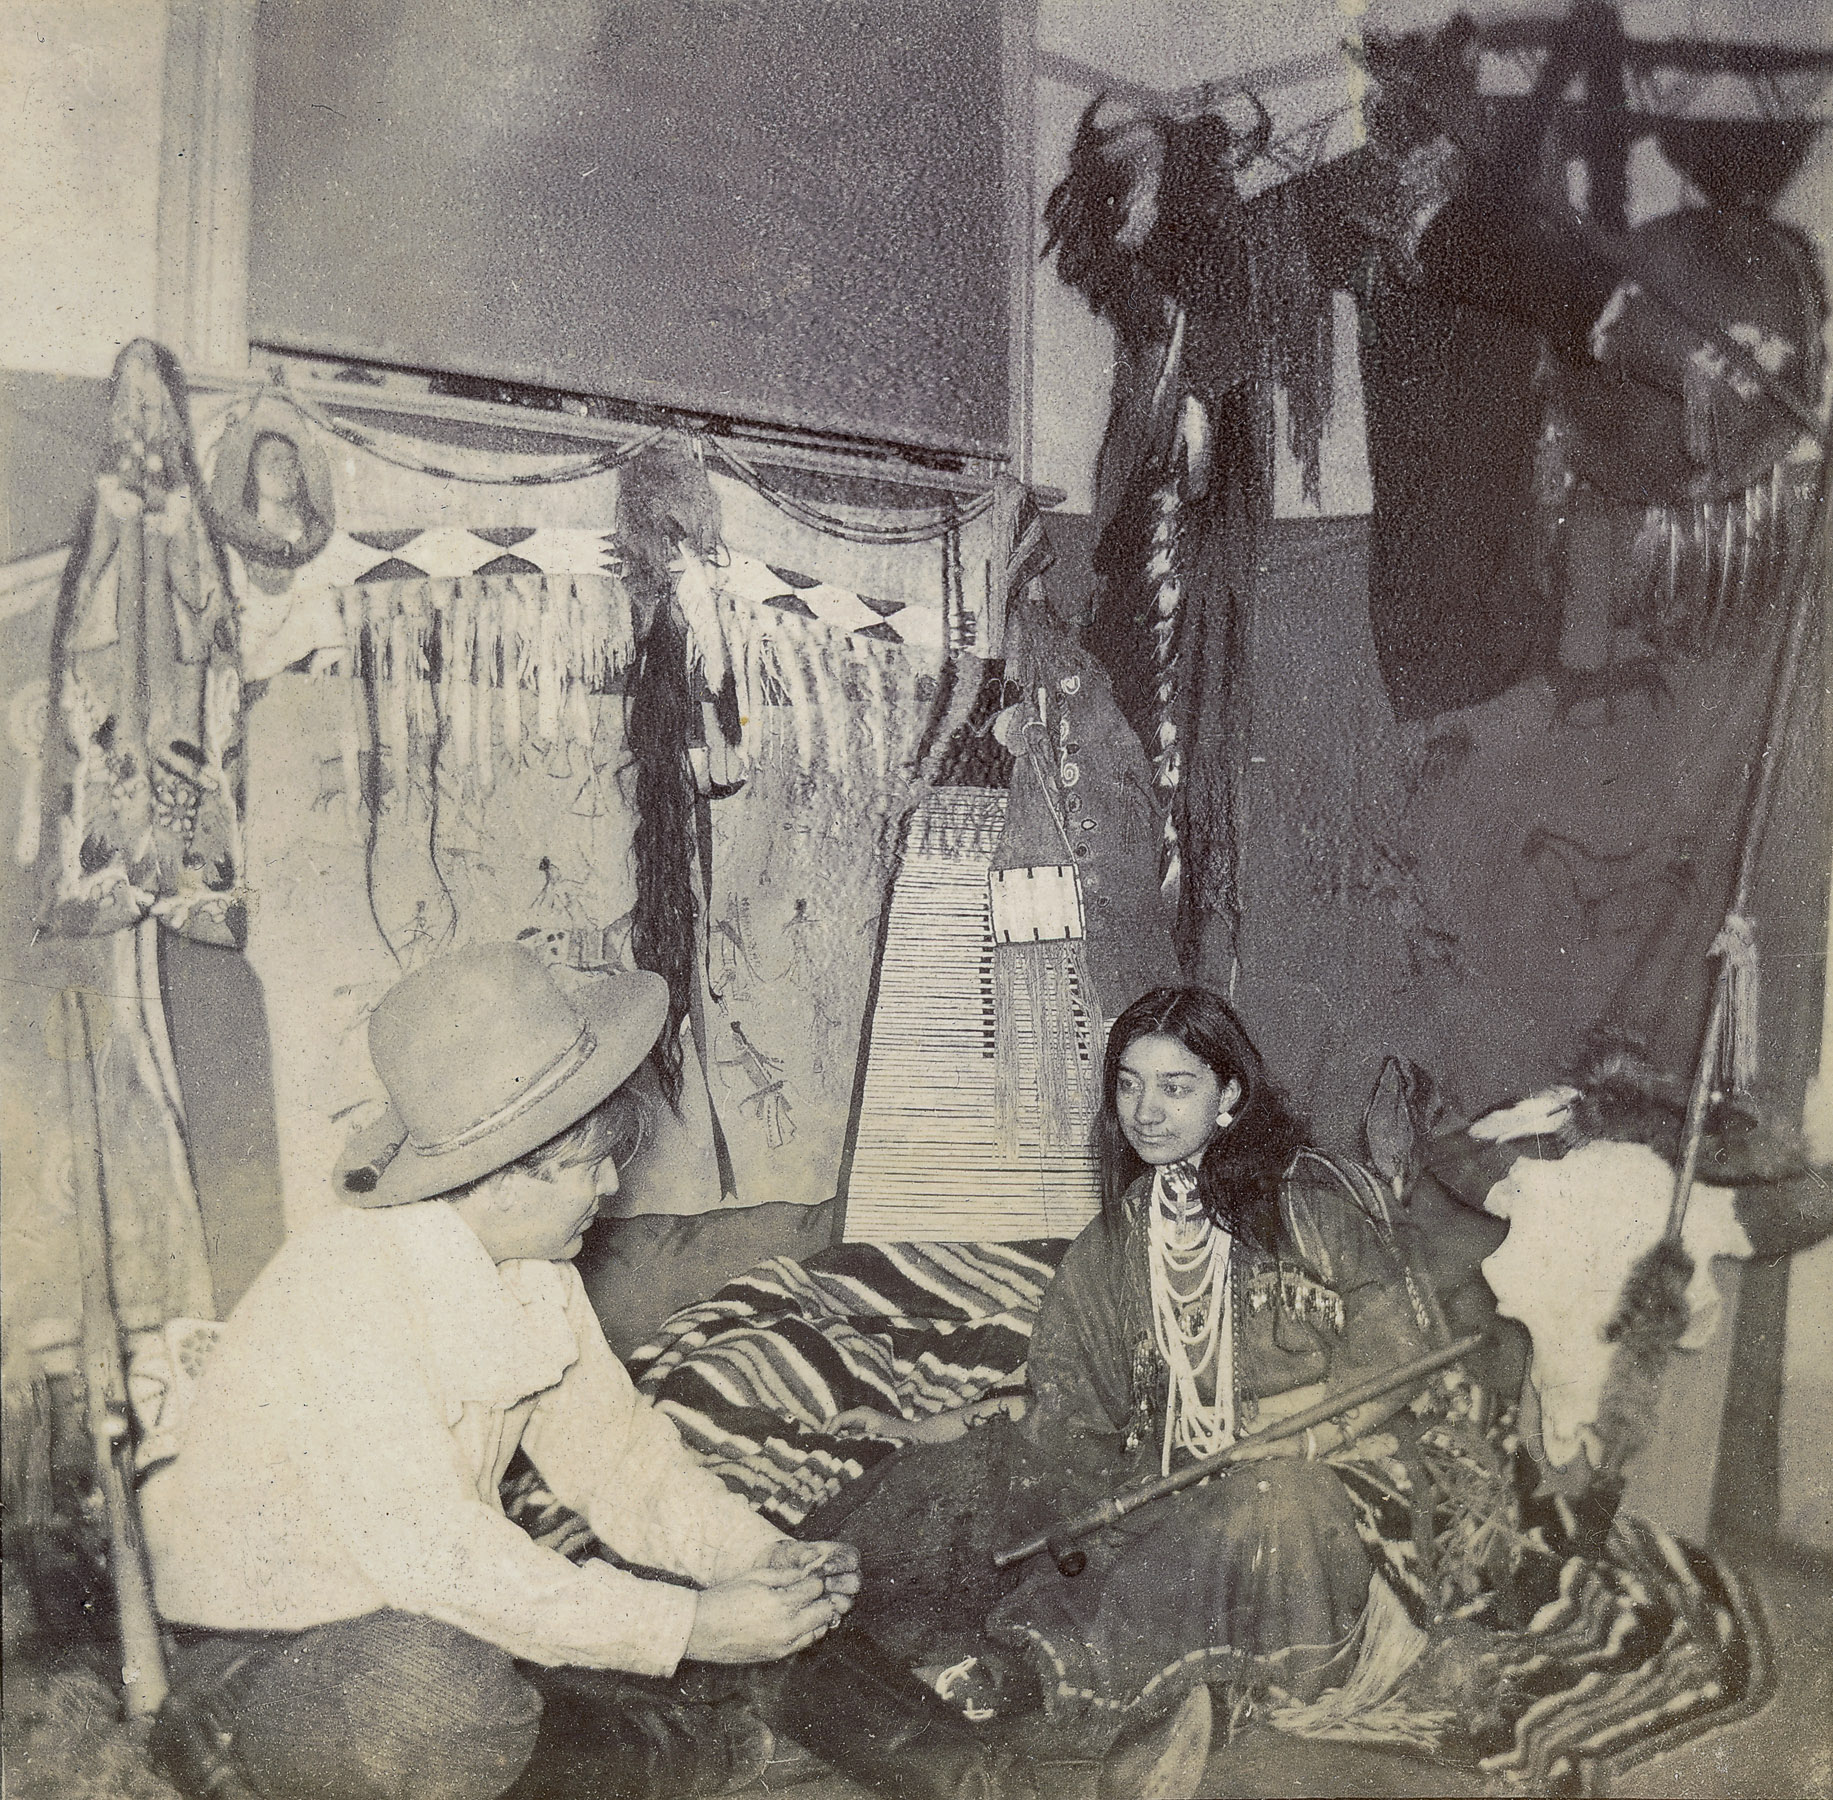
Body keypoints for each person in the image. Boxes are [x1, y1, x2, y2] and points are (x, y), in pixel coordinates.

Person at [142, 942, 860, 1800]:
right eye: (583, 1164)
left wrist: (758, 1561)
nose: (607, 1186)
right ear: (496, 1174)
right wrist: (691, 1626)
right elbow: (439, 1557)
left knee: (507, 1657)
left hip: (413, 1617)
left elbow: (621, 1462)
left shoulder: (534, 1272)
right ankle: (622, 1750)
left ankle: (590, 1747)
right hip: (260, 1659)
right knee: (435, 1694)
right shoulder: (346, 1288)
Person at [820, 986, 1440, 1800]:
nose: (1144, 1111)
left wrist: (1300, 1432)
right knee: (979, 1479)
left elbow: (1396, 1358)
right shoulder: (1113, 1244)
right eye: (1127, 1083)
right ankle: (813, 1620)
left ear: (1230, 1096)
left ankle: (1029, 1672)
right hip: (1166, 1479)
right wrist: (929, 1428)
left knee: (1266, 1499)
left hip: (1324, 1486)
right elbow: (1062, 1408)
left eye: (1174, 1086)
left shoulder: (1309, 1213)